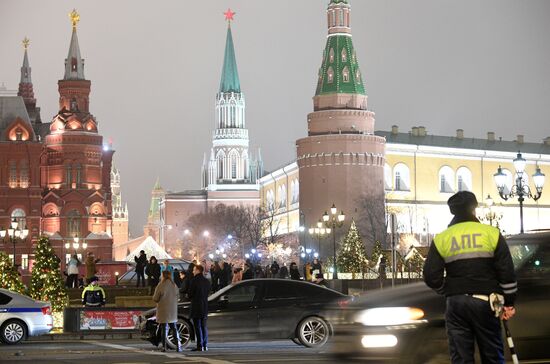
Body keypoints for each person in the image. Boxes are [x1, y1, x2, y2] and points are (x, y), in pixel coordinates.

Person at [423, 191, 517, 363]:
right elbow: (506, 272)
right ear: (474, 209)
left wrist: (448, 289)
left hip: (456, 304)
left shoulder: (442, 238)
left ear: (452, 211)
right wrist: (509, 303)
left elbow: (430, 276)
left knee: (461, 358)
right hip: (486, 303)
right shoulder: (491, 233)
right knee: (492, 356)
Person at [152, 270, 182, 352]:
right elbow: (178, 297)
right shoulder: (174, 285)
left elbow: (155, 298)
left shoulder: (160, 285)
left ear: (163, 276)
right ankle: (178, 346)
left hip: (163, 310)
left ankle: (164, 347)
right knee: (174, 328)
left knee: (164, 328)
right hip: (172, 310)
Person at [188, 265, 211, 352]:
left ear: (198, 270)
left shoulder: (194, 281)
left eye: (194, 270)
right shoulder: (206, 281)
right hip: (204, 306)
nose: (193, 272)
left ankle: (199, 345)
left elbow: (190, 294)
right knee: (204, 326)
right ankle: (205, 345)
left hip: (196, 306)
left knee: (197, 327)